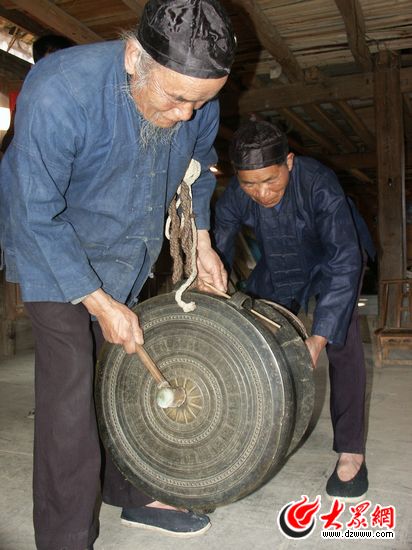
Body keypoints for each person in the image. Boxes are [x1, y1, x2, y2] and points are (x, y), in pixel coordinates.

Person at [0, 1, 236, 548]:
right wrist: (101, 305)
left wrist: (201, 242)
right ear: (135, 58)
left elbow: (201, 163)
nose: (186, 114)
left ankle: (130, 495)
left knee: (122, 374)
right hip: (50, 247)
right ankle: (66, 536)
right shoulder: (61, 91)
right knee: (70, 387)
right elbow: (37, 213)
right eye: (176, 98)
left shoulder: (196, 104)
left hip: (127, 246)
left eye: (201, 102)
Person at [213, 120, 375, 503]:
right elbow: (218, 241)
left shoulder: (319, 184)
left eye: (270, 180)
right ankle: (254, 429)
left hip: (334, 259)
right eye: (250, 184)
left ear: (289, 161)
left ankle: (351, 450)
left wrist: (317, 337)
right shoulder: (239, 192)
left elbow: (345, 260)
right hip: (282, 262)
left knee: (342, 341)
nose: (261, 192)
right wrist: (211, 280)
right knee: (249, 325)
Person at [0, 34, 75, 157]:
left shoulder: (77, 96)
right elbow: (11, 138)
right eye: (53, 62)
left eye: (66, 61)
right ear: (36, 68)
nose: (61, 69)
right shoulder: (30, 98)